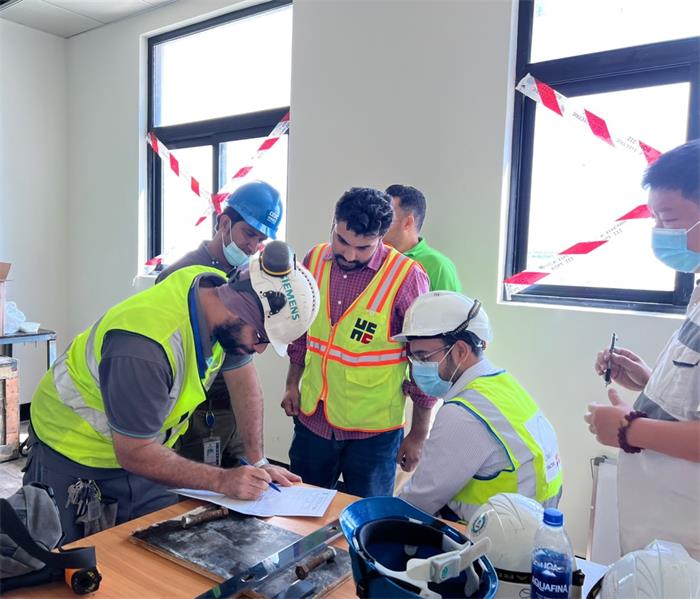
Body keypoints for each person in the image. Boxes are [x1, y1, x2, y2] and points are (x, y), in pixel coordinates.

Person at [23, 241, 319, 542]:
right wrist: (223, 480)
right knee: (71, 560)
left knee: (156, 553)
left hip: (143, 451)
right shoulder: (143, 348)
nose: (260, 349)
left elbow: (245, 385)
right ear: (241, 308)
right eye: (261, 337)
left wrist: (259, 462)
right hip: (73, 452)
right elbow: (134, 452)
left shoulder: (215, 293)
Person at [585, 139, 700, 560]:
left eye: (668, 218)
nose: (659, 232)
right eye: (654, 218)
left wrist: (628, 429)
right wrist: (650, 381)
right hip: (665, 538)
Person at [281, 187, 435, 497]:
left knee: (367, 518)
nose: (349, 255)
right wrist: (291, 384)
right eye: (342, 241)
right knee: (299, 510)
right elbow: (301, 333)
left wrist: (418, 435)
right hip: (314, 420)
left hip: (373, 435)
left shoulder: (406, 277)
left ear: (382, 237)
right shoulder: (314, 259)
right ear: (334, 223)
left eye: (363, 247)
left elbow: (423, 361)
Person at [395, 291, 563, 523]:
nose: (417, 369)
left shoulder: (462, 414)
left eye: (424, 357)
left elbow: (419, 500)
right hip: (528, 527)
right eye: (414, 359)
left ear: (460, 351)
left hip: (494, 537)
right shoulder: (501, 384)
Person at [156, 180, 283, 468]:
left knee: (247, 481)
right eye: (248, 234)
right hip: (192, 413)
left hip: (232, 408)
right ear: (224, 223)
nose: (252, 246)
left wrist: (260, 460)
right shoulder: (179, 275)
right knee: (193, 487)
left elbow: (243, 369)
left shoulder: (250, 276)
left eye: (260, 240)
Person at [383, 184, 462, 292]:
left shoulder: (438, 266)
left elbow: (451, 303)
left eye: (387, 217)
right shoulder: (373, 257)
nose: (379, 223)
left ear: (407, 222)